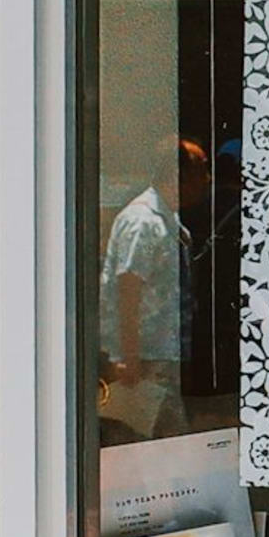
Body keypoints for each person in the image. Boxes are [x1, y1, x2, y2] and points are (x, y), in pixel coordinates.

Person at [97, 137, 199, 439]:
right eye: (202, 169)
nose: (208, 179)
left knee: (161, 436)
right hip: (146, 358)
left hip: (165, 354)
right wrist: (128, 355)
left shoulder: (169, 218)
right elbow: (128, 287)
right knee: (162, 436)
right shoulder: (143, 221)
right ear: (178, 175)